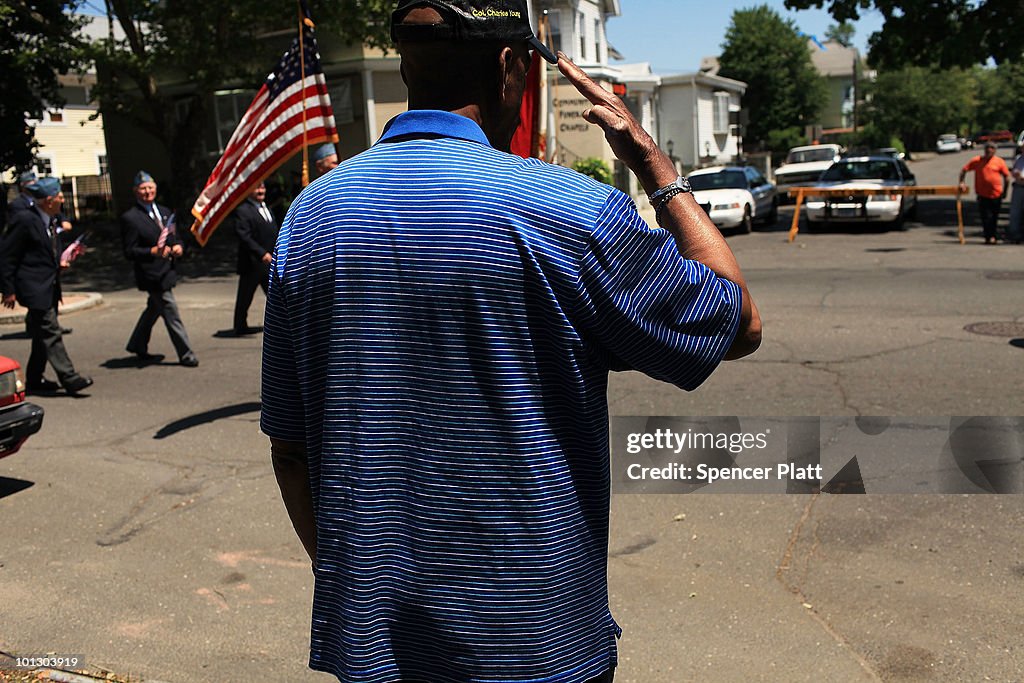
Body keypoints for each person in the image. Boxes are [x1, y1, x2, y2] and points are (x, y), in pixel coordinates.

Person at [262, 2, 760, 682]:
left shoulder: (311, 219)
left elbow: (291, 451)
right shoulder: (568, 212)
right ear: (510, 67)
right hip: (536, 646)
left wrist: (367, 596)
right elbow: (736, 322)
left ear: (408, 65)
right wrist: (654, 165)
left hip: (376, 648)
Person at [0, 177, 93, 395]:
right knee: (51, 331)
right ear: (49, 200)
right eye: (60, 196)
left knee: (43, 335)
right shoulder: (25, 220)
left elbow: (44, 251)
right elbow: (7, 256)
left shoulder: (50, 220)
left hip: (49, 284)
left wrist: (60, 261)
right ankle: (70, 378)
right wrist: (8, 290)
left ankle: (33, 379)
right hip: (33, 287)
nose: (63, 199)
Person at [119, 171, 199, 367]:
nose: (147, 192)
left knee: (154, 309)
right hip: (151, 274)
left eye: (150, 188)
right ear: (136, 191)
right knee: (170, 310)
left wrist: (179, 246)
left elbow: (174, 236)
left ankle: (137, 344)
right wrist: (152, 251)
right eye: (143, 188)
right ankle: (186, 353)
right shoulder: (130, 218)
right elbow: (130, 251)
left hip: (167, 270)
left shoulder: (164, 212)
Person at [228, 180, 278, 335]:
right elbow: (244, 236)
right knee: (245, 296)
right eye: (256, 187)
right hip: (252, 263)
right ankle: (240, 326)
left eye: (262, 187)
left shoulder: (267, 208)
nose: (260, 190)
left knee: (275, 296)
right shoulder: (243, 210)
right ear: (249, 191)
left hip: (269, 262)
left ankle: (280, 326)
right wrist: (261, 253)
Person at [959, 142, 1010, 244]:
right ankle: (988, 236)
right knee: (985, 217)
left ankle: (993, 236)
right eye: (987, 148)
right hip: (982, 194)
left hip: (996, 194)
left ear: (994, 151)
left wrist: (1005, 192)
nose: (989, 150)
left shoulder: (999, 162)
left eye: (991, 148)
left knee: (994, 217)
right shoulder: (977, 161)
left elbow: (1007, 177)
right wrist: (962, 183)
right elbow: (964, 170)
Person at [1008, 145, 1024, 244]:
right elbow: (1014, 171)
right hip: (1018, 187)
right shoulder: (1018, 159)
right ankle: (1015, 234)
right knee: (1015, 212)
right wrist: (1015, 174)